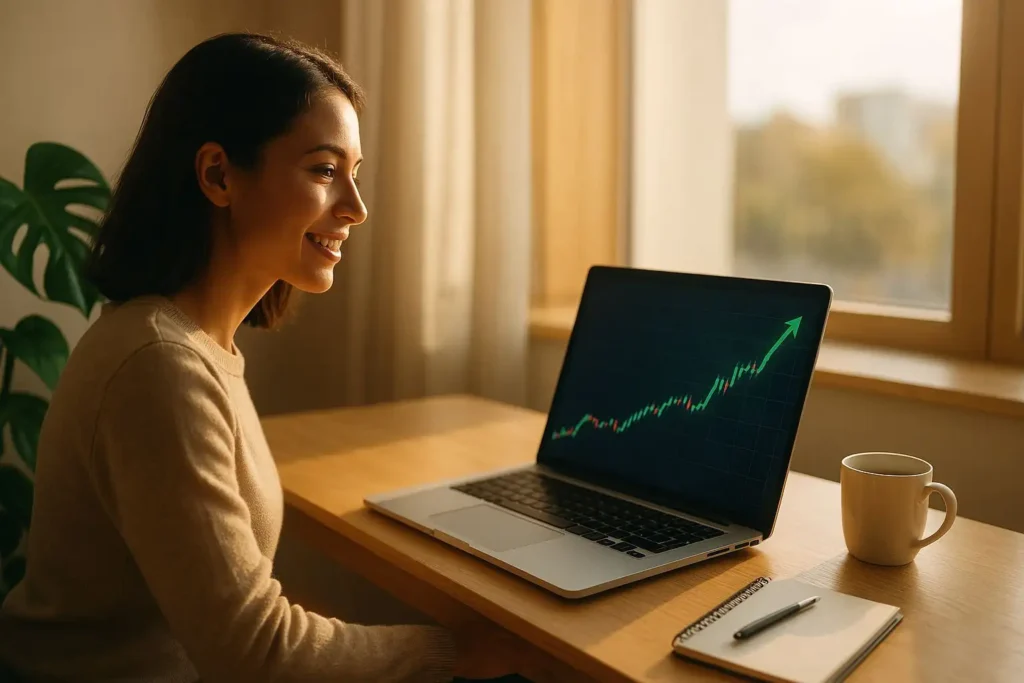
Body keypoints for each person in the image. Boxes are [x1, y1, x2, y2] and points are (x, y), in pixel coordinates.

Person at [0, 32, 522, 682]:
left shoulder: (197, 344)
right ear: (219, 174)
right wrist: (455, 653)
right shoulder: (159, 365)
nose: (356, 209)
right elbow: (256, 652)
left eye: (354, 175)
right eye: (325, 170)